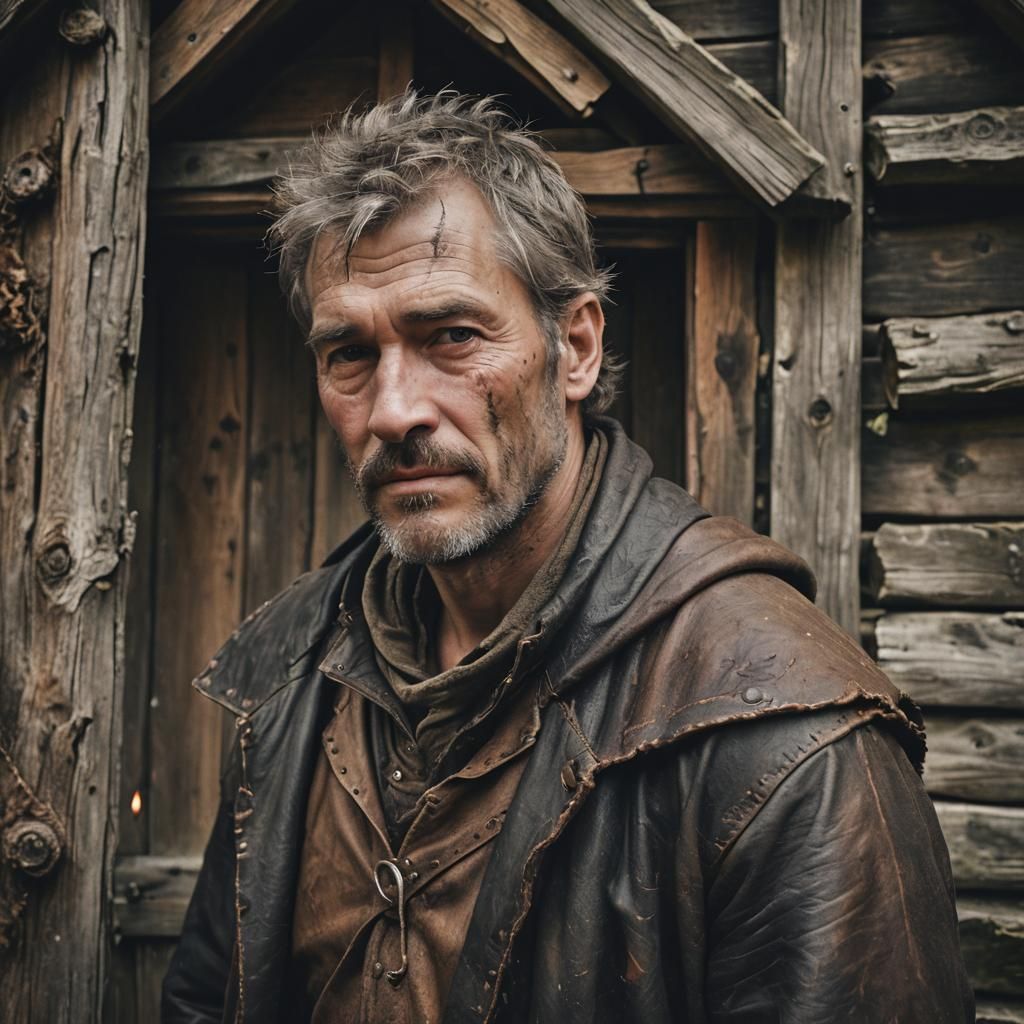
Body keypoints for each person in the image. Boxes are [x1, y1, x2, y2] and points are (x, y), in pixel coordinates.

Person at [162, 91, 973, 1023]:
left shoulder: (784, 733)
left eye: (451, 336)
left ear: (575, 346)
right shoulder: (297, 671)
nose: (392, 410)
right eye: (350, 352)